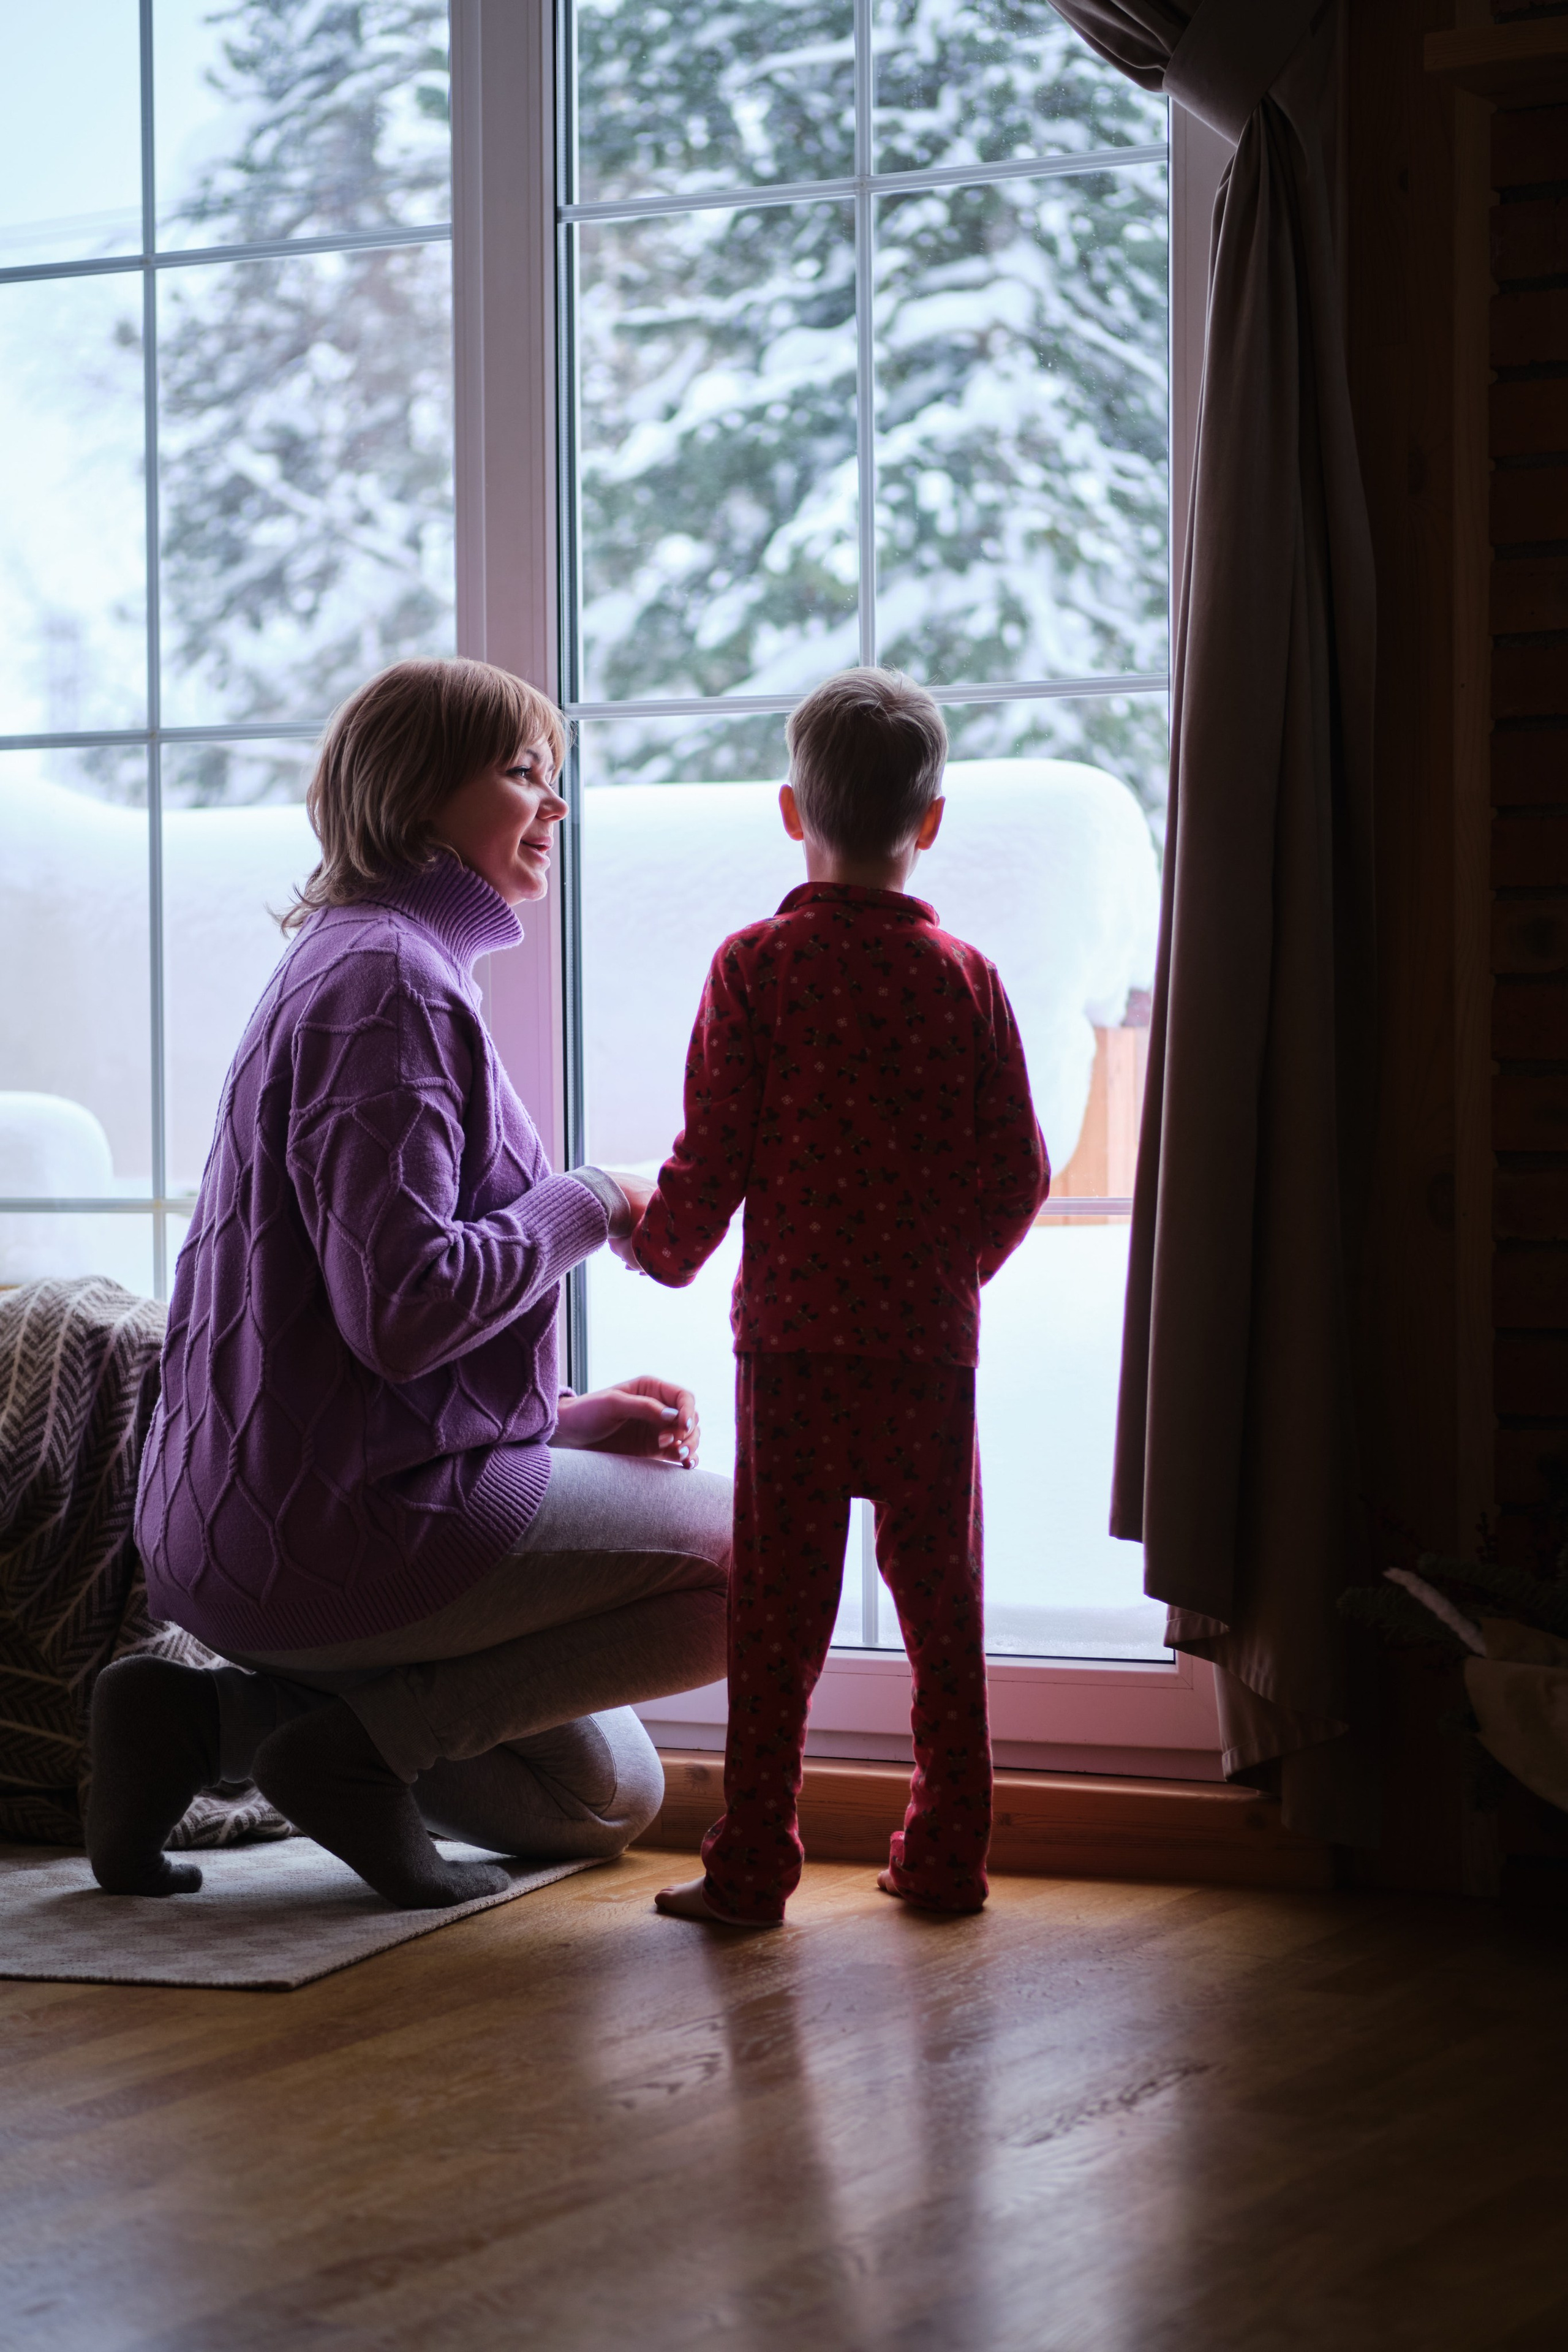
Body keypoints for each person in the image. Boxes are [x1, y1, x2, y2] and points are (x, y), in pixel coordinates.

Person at [90, 657, 731, 1909]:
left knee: (600, 1799)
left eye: (558, 780)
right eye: (524, 775)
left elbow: (325, 1332)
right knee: (755, 1565)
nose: (557, 809)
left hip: (243, 1528)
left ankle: (207, 1727)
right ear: (417, 792)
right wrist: (589, 1201)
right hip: (331, 1537)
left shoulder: (345, 962)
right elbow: (402, 1308)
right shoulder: (388, 982)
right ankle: (357, 1750)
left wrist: (553, 1424)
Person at [631, 668, 1051, 1928]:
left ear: (787, 810)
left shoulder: (757, 968)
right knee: (941, 1608)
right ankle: (942, 1857)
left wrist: (658, 1245)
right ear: (929, 822)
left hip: (797, 1345)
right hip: (926, 1349)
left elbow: (713, 1152)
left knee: (777, 1620)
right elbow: (1018, 1171)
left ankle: (754, 1862)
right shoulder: (963, 979)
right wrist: (943, 1273)